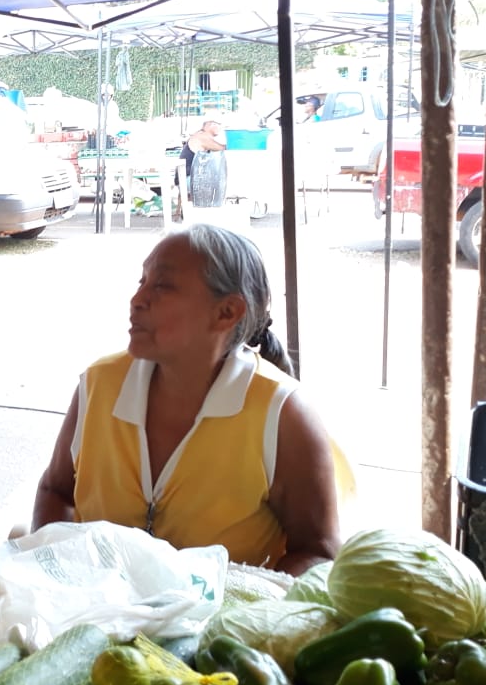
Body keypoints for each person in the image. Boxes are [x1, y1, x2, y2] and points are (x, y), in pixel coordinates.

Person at [31, 224, 341, 575]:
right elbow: (55, 491)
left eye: (162, 286)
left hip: (217, 628)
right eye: (141, 281)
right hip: (98, 617)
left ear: (226, 312)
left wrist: (239, 610)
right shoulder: (100, 385)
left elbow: (319, 551)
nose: (137, 300)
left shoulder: (283, 415)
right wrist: (57, 574)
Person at [179, 118, 227, 207]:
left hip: (192, 177)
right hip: (188, 179)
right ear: (209, 125)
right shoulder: (202, 137)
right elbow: (222, 148)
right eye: (218, 125)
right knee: (223, 183)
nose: (220, 128)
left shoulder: (202, 135)